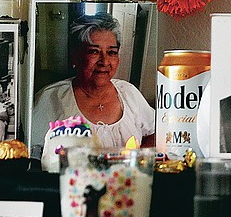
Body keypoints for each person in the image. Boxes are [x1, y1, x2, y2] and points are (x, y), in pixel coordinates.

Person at [33, 13, 154, 148]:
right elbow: (32, 153)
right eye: (94, 52)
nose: (104, 61)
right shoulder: (51, 98)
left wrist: (139, 159)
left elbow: (155, 133)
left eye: (112, 52)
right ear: (75, 57)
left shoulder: (128, 92)